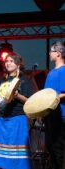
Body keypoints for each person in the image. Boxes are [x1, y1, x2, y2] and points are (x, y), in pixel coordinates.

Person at [0, 52, 35, 169]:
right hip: (2, 120)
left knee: (17, 158)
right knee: (1, 158)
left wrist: (17, 95)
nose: (8, 63)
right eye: (6, 61)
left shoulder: (24, 80)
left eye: (11, 61)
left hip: (17, 119)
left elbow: (30, 101)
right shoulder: (1, 81)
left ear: (18, 65)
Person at [44, 41, 65, 169]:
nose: (49, 53)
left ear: (58, 54)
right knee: (50, 147)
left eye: (51, 51)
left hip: (60, 115)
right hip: (50, 115)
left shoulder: (63, 71)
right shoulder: (51, 72)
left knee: (58, 149)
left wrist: (52, 99)